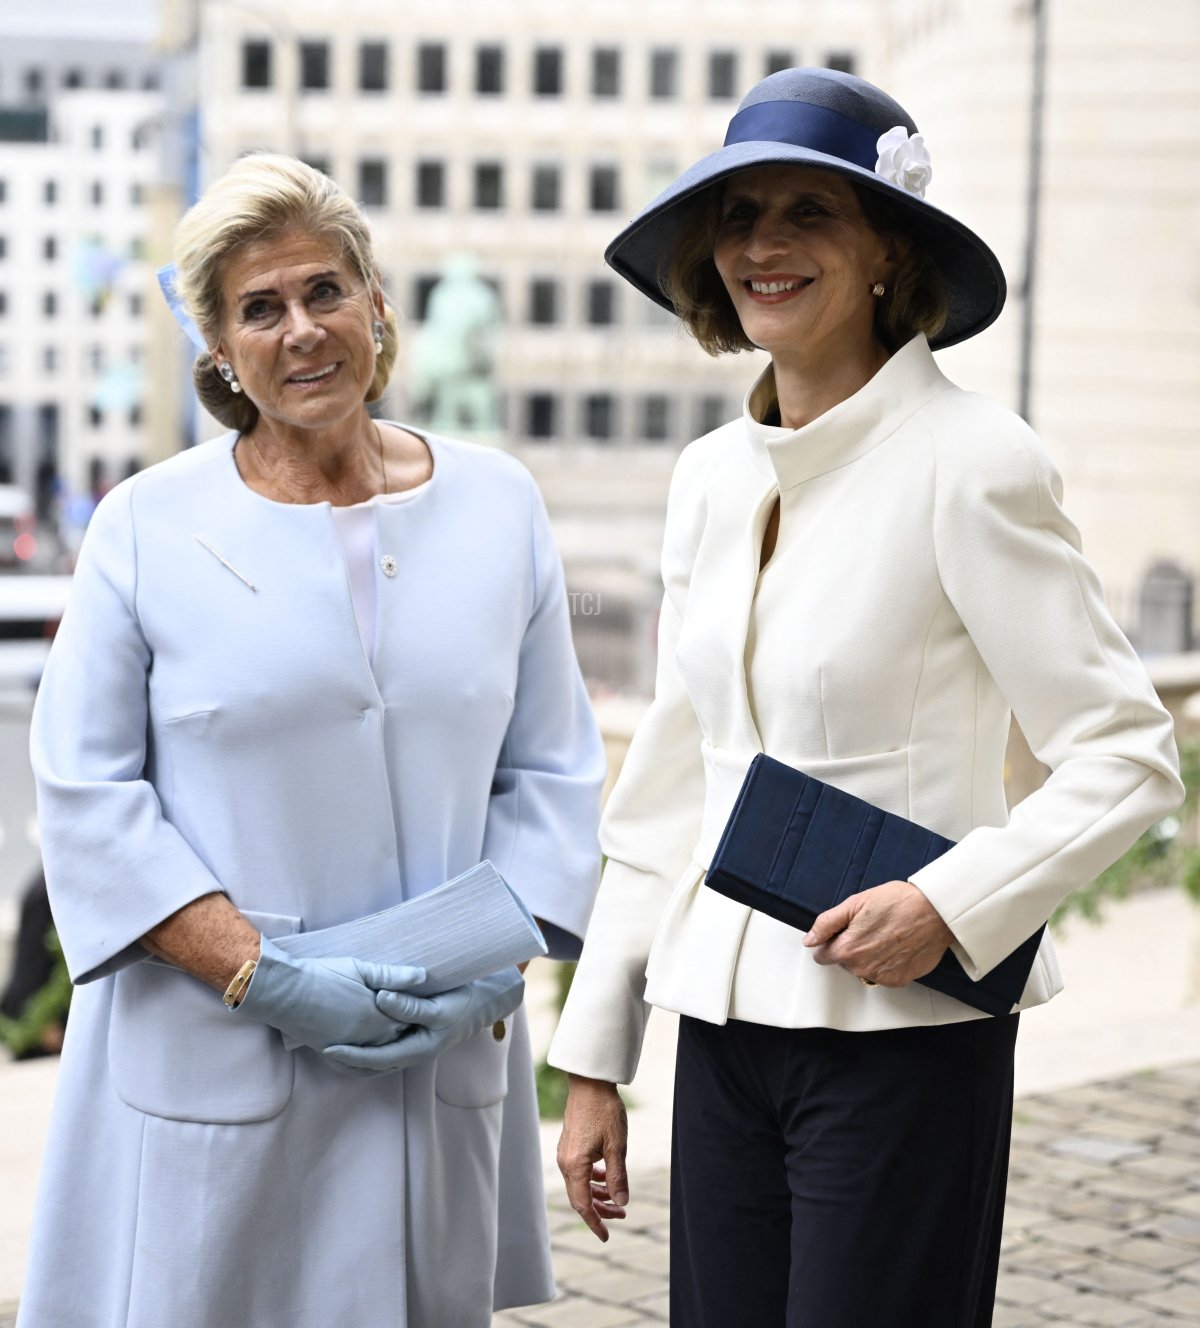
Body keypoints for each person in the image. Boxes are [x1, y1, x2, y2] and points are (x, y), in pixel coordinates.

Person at [548, 67, 1183, 1327]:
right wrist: (596, 1057)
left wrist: (948, 903)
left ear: (891, 246)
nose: (762, 246)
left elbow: (1128, 752)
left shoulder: (974, 464)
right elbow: (676, 774)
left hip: (903, 1036)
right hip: (725, 1039)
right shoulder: (713, 477)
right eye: (737, 216)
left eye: (809, 213)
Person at [19, 154, 605, 1328]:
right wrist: (260, 971)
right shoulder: (146, 525)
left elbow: (552, 769)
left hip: (435, 1048)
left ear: (378, 305)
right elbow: (86, 794)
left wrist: (503, 956)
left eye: (325, 290)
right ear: (220, 352)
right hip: (212, 1045)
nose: (303, 329)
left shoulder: (498, 504)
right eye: (260, 308)